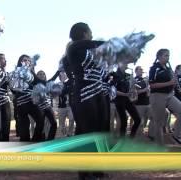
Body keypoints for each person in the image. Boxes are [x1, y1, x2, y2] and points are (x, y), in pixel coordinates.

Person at [65, 22, 109, 180]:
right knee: (87, 133)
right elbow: (92, 44)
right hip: (84, 95)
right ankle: (84, 173)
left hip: (99, 94)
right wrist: (113, 44)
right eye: (90, 31)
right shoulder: (73, 48)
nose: (92, 34)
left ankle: (97, 168)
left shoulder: (93, 51)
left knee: (100, 131)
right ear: (84, 32)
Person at [148, 49, 181, 144]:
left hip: (170, 95)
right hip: (158, 96)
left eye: (168, 55)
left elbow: (172, 82)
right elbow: (152, 85)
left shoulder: (168, 68)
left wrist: (174, 84)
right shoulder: (154, 68)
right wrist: (169, 83)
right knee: (159, 121)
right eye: (166, 55)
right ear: (159, 57)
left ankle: (176, 136)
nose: (168, 57)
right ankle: (158, 143)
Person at [13, 54, 45, 142]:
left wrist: (32, 71)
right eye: (24, 60)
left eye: (28, 60)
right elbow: (13, 88)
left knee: (40, 120)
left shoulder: (31, 72)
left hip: (31, 101)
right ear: (20, 62)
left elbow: (40, 82)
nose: (27, 61)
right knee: (24, 128)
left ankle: (34, 140)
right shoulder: (16, 71)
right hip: (21, 103)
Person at [112, 63, 141, 138]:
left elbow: (131, 86)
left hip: (128, 100)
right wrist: (125, 94)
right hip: (119, 101)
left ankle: (131, 138)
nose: (127, 65)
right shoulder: (114, 75)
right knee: (124, 121)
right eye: (125, 63)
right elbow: (113, 91)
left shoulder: (128, 75)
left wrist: (134, 89)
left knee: (138, 120)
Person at [35, 70, 60, 140]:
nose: (41, 75)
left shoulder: (47, 83)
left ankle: (50, 139)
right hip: (39, 108)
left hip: (48, 107)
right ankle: (38, 140)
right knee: (40, 126)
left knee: (54, 124)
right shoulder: (35, 83)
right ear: (36, 76)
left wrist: (58, 72)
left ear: (45, 76)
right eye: (39, 74)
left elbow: (53, 78)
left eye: (43, 74)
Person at [133, 66, 152, 135]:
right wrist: (144, 90)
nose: (142, 70)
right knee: (139, 123)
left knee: (154, 118)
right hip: (139, 104)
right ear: (136, 71)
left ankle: (151, 134)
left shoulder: (144, 80)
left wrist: (148, 90)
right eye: (140, 69)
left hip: (148, 103)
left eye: (142, 69)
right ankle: (138, 139)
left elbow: (148, 91)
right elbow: (134, 92)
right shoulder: (134, 80)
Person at [57, 71, 75, 137]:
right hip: (61, 106)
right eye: (62, 76)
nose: (64, 76)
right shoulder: (58, 84)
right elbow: (60, 93)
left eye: (65, 75)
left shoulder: (70, 83)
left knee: (72, 119)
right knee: (61, 123)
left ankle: (70, 133)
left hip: (70, 106)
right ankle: (63, 134)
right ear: (59, 77)